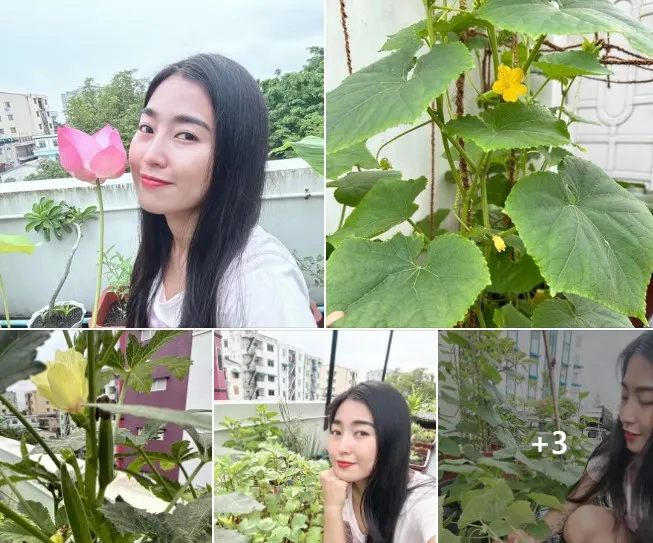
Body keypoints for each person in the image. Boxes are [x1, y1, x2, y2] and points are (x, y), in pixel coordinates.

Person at [125, 53, 317, 328]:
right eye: (147, 128)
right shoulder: (165, 243)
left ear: (235, 155)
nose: (151, 155)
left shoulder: (259, 281)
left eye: (186, 135)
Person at [497, 331, 653, 543]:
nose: (625, 415)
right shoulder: (619, 450)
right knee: (583, 522)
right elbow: (572, 503)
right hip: (633, 535)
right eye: (625, 396)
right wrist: (531, 538)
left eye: (646, 399)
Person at [320, 381, 437, 543]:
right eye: (336, 432)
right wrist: (332, 509)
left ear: (392, 439)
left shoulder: (421, 500)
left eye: (361, 432)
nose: (342, 447)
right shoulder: (339, 488)